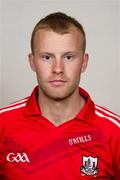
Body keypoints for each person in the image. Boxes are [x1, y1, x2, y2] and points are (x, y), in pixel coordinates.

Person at [0, 12, 120, 180]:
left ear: (84, 62)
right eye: (47, 57)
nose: (58, 68)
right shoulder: (3, 125)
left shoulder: (114, 132)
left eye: (69, 57)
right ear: (32, 61)